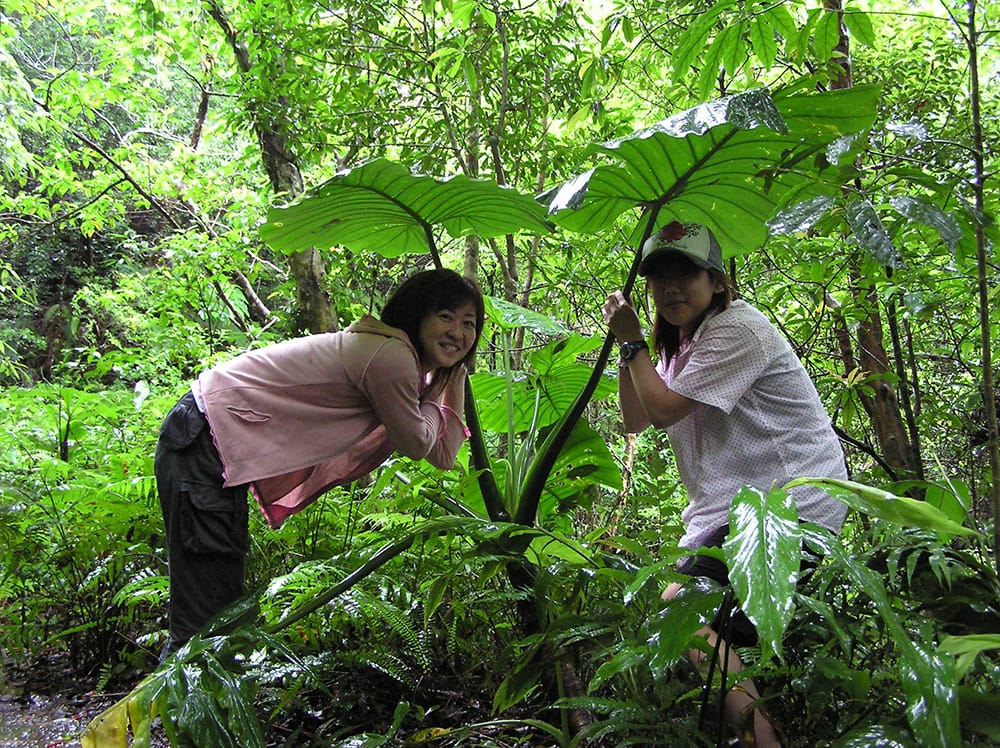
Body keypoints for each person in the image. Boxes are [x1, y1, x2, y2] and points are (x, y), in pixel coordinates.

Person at [602, 222, 848, 748]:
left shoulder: (739, 327)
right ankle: (753, 723)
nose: (670, 288)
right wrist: (631, 349)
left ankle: (764, 738)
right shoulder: (680, 347)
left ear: (716, 281)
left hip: (790, 500)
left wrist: (631, 340)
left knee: (681, 605)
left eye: (684, 273)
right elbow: (635, 419)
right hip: (738, 509)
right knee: (698, 621)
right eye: (659, 277)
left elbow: (664, 410)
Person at [155, 268, 484, 656]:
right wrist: (439, 392)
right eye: (445, 316)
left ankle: (185, 707)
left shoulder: (401, 360)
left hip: (206, 440)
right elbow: (419, 443)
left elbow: (443, 455)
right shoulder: (390, 357)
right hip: (203, 438)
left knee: (216, 607)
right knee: (206, 617)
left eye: (469, 323)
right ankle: (171, 711)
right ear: (417, 314)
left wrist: (453, 381)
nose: (458, 333)